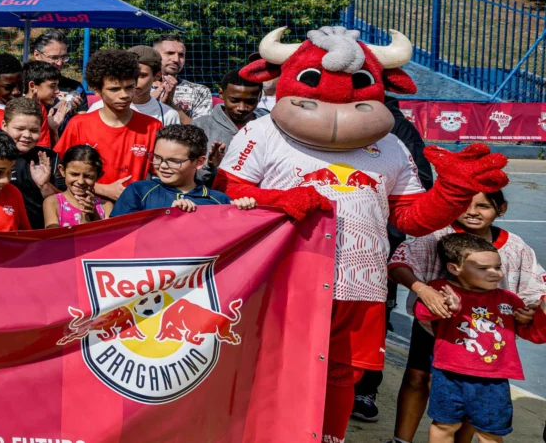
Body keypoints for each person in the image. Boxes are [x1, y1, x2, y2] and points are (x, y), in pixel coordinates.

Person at [214, 26, 508, 443]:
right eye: (314, 79)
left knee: (342, 373)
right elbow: (227, 193)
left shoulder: (391, 145)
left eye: (358, 81)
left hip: (360, 281)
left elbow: (411, 218)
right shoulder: (261, 132)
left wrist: (452, 193)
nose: (336, 94)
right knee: (272, 364)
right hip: (283, 278)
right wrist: (279, 199)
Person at [387, 190, 546, 443]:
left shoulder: (516, 247)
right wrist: (423, 290)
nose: (472, 212)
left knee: (477, 394)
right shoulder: (435, 234)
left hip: (487, 336)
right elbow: (399, 263)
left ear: (501, 209)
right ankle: (401, 440)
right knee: (419, 380)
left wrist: (530, 309)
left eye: (483, 206)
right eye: (464, 204)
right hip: (435, 326)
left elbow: (534, 289)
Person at [413, 234, 545, 443]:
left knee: (489, 432)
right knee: (444, 425)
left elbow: (536, 336)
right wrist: (448, 307)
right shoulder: (442, 289)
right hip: (448, 375)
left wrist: (540, 312)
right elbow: (421, 313)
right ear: (454, 268)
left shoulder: (508, 299)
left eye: (497, 267)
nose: (495, 273)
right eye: (483, 268)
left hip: (493, 380)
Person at [57, 49, 163, 204]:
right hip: (86, 208)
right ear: (97, 89)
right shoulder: (78, 124)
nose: (124, 95)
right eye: (114, 89)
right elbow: (61, 175)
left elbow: (163, 177)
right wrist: (101, 189)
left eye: (129, 87)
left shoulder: (152, 127)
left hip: (133, 210)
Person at [111, 125, 255, 216]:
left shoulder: (219, 201)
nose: (163, 166)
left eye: (174, 161)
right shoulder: (138, 191)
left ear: (199, 162)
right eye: (157, 157)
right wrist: (167, 216)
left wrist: (245, 213)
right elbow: (118, 235)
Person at [192, 70, 266, 186]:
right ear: (221, 94)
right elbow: (189, 177)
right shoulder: (200, 126)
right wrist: (209, 167)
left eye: (250, 101)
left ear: (260, 96)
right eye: (234, 101)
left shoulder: (269, 124)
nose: (241, 108)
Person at [86, 46, 188, 126]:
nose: (133, 81)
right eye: (129, 74)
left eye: (141, 75)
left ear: (157, 76)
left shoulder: (168, 115)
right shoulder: (99, 108)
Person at [2, 97, 59, 227]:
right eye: (20, 129)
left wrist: (45, 185)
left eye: (33, 130)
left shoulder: (49, 157)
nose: (27, 135)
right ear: (4, 126)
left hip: (39, 232)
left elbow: (66, 203)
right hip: (2, 231)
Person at [153, 33, 213, 118]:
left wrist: (171, 105)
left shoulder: (200, 92)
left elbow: (201, 126)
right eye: (170, 53)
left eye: (181, 55)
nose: (176, 59)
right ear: (155, 55)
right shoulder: (138, 88)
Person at [44, 145, 105, 228]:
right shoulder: (52, 203)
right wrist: (84, 220)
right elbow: (53, 235)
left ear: (98, 176)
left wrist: (94, 215)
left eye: (88, 176)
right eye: (74, 174)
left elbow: (108, 234)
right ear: (62, 170)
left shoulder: (105, 206)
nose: (80, 181)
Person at [22, 60, 68, 147]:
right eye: (52, 86)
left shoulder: (46, 109)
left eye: (57, 86)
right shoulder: (17, 109)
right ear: (32, 85)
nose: (57, 91)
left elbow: (51, 152)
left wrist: (53, 130)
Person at [29, 30, 82, 96]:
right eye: (54, 57)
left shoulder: (74, 88)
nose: (59, 63)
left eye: (63, 57)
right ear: (37, 55)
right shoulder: (22, 85)